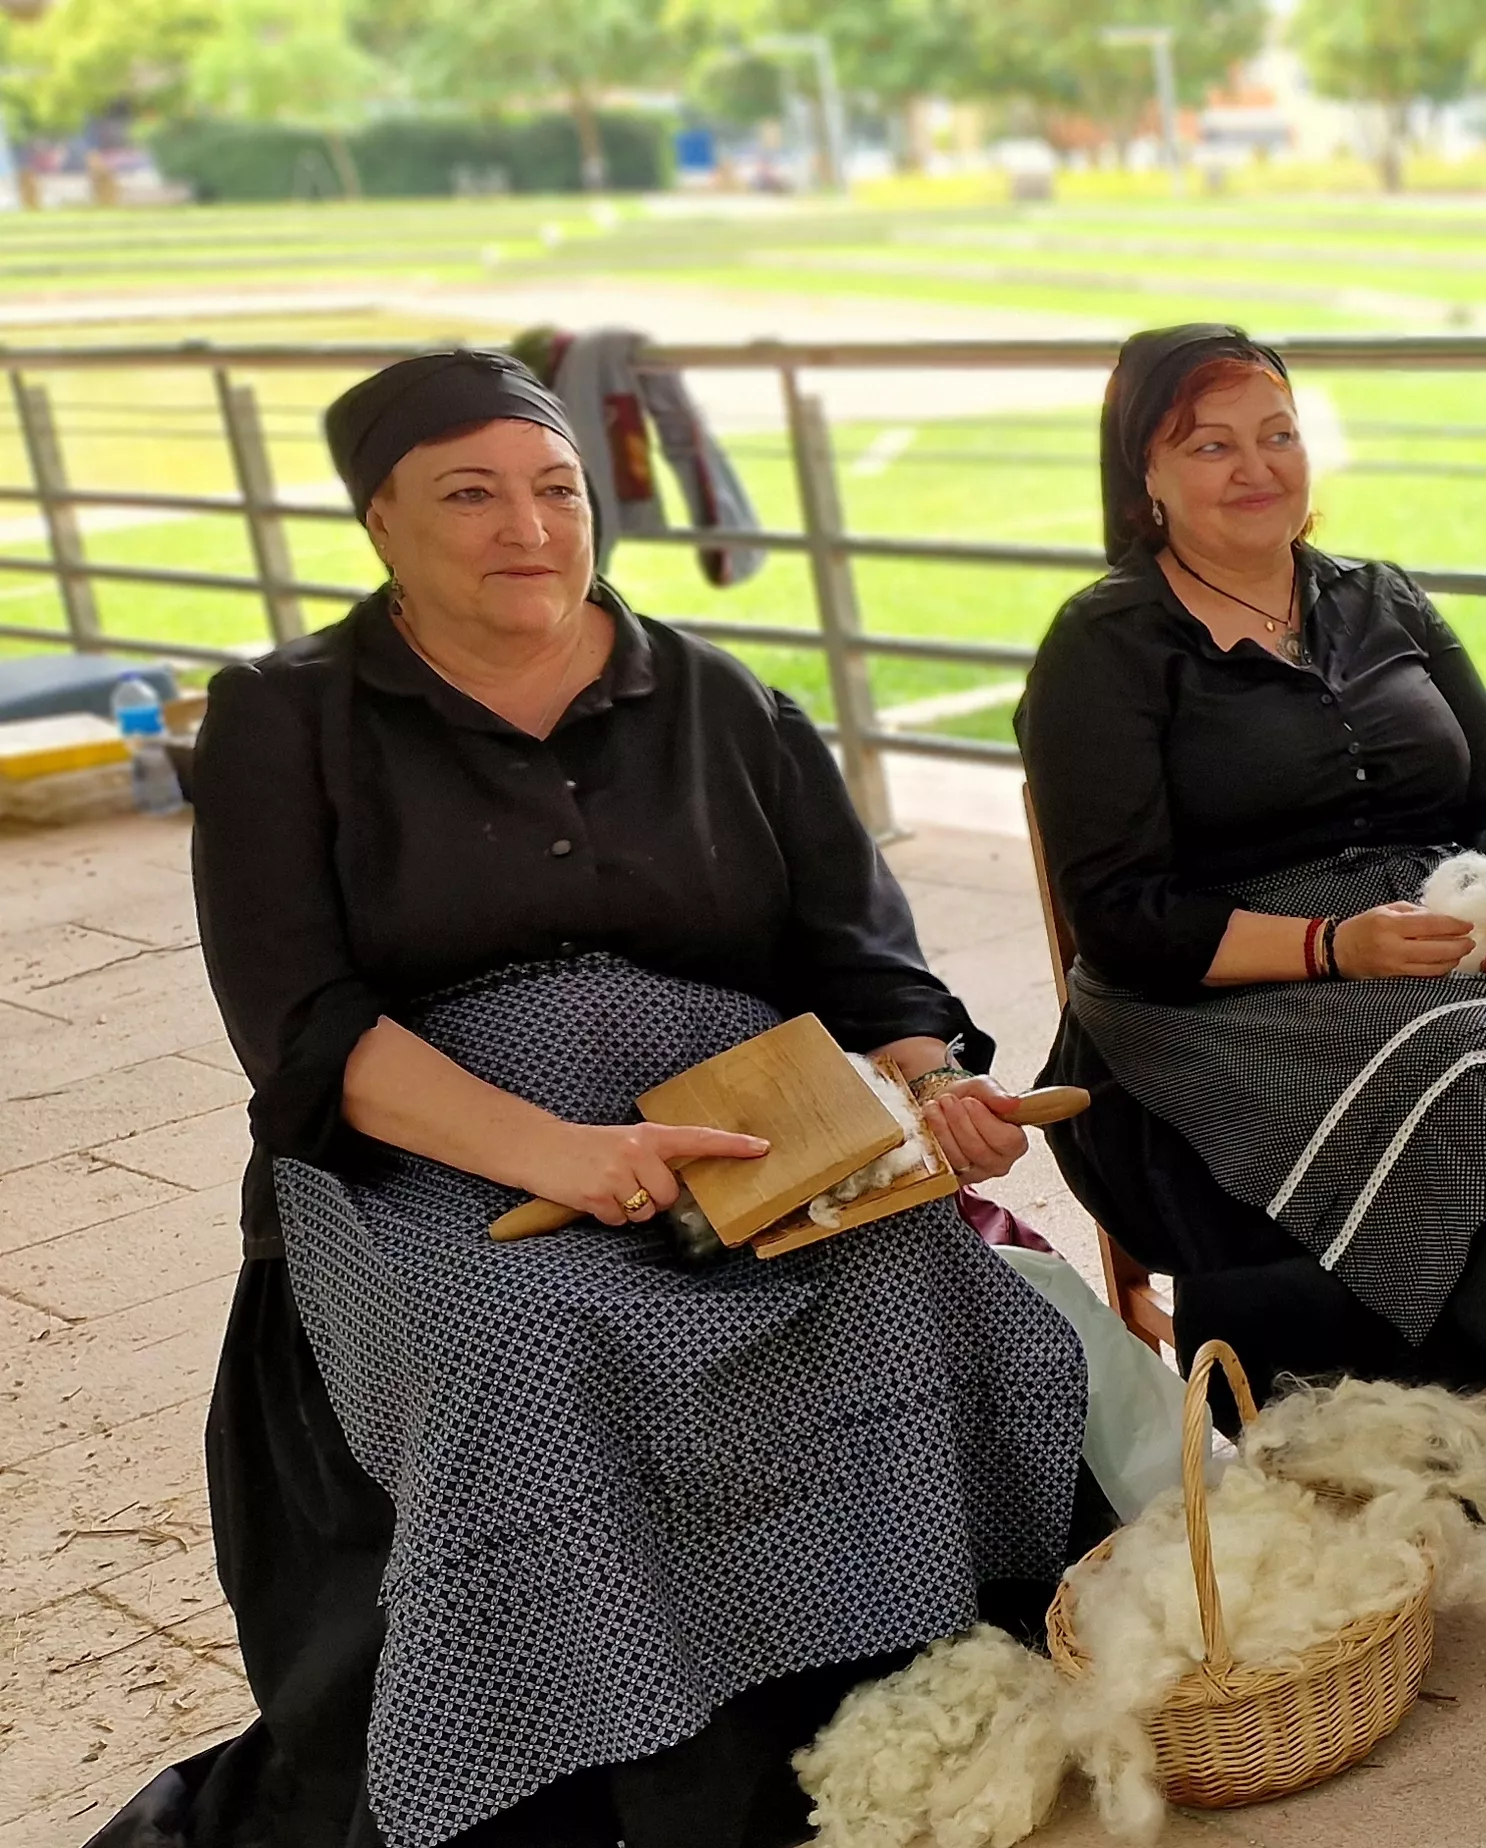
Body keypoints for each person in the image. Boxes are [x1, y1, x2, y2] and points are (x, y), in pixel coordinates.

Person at [98, 352, 1096, 1848]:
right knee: (522, 1349)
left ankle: (881, 1707)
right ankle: (632, 1760)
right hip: (427, 1149)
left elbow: (862, 958)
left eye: (557, 489)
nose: (529, 527)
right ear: (380, 523)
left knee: (904, 1272)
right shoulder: (283, 719)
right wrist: (562, 1152)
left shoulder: (723, 700)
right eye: (470, 494)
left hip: (746, 1129)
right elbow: (303, 1024)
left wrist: (932, 1085)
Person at [1017, 325, 1486, 1438]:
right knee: (1450, 1059)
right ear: (1145, 474)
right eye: (1210, 445)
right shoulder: (1105, 646)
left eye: (1278, 435)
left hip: (1427, 934)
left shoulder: (1381, 597)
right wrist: (1334, 946)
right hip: (1206, 989)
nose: (1256, 468)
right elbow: (1119, 916)